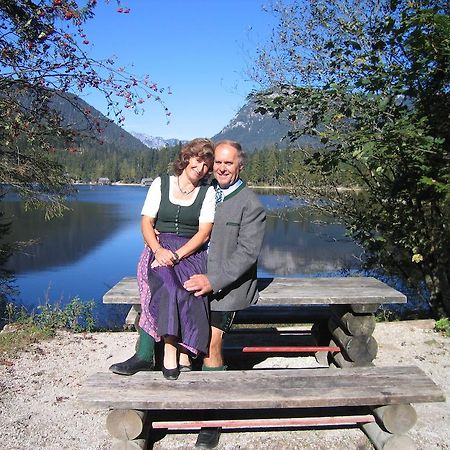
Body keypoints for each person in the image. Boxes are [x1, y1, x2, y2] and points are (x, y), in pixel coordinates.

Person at [110, 138, 215, 380]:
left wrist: (178, 254)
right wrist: (157, 250)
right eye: (198, 161)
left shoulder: (207, 193)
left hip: (190, 252)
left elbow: (203, 233)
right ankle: (169, 350)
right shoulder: (161, 183)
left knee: (188, 288)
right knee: (166, 284)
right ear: (187, 157)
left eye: (206, 166)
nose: (200, 169)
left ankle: (181, 350)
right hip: (160, 247)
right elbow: (146, 222)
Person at [184, 139, 266, 448]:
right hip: (196, 278)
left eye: (228, 163)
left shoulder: (251, 205)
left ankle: (213, 416)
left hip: (227, 289)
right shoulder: (204, 194)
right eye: (217, 162)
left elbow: (246, 254)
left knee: (210, 343)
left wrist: (213, 281)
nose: (221, 167)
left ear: (239, 166)